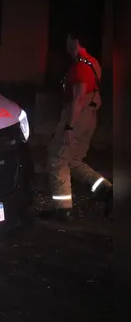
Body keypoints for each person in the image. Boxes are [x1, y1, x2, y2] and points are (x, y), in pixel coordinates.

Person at [43, 32, 112, 221]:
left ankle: (63, 210)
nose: (65, 45)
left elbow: (78, 98)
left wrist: (69, 127)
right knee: (72, 160)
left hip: (78, 116)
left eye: (67, 41)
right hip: (91, 116)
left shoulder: (80, 66)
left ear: (75, 42)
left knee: (57, 159)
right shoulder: (94, 63)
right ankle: (106, 190)